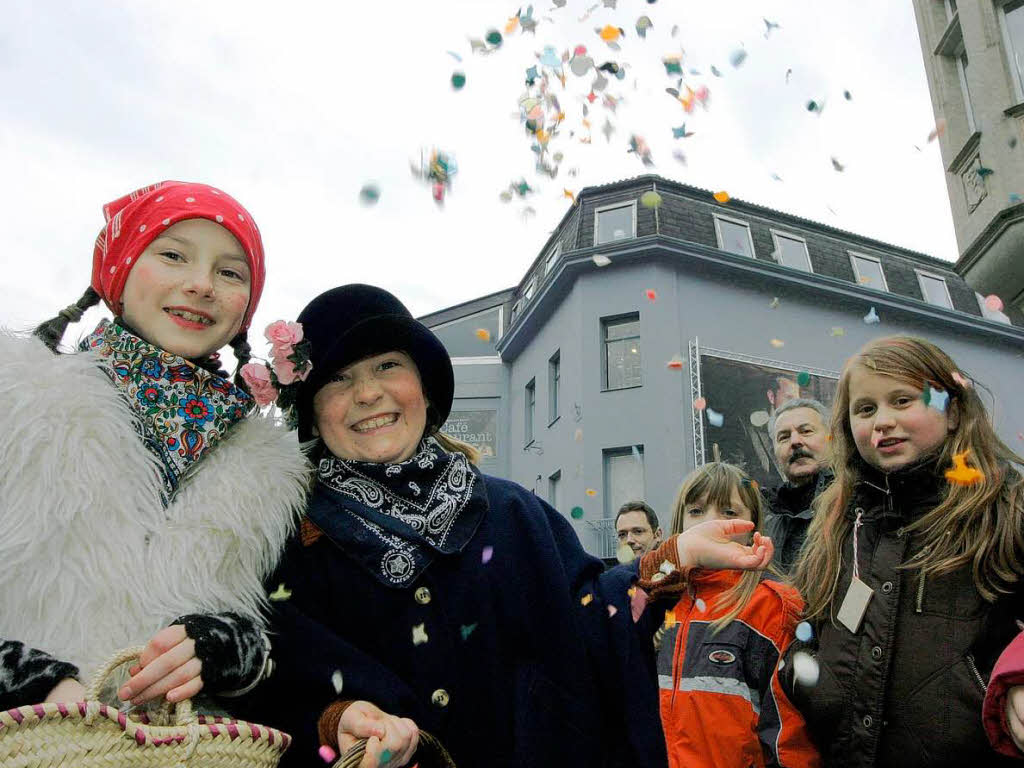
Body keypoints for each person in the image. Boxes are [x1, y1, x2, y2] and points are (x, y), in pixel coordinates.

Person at [242, 284, 774, 768]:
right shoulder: (287, 542)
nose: (367, 394)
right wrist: (336, 721)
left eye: (386, 366)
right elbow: (267, 687)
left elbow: (588, 620)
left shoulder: (512, 511)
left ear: (425, 391)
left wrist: (669, 558)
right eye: (339, 378)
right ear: (312, 412)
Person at [0, 182, 309, 713]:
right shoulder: (16, 403)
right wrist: (31, 681)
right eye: (173, 255)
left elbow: (284, 641)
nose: (201, 284)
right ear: (120, 271)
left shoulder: (269, 472)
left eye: (230, 272)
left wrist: (223, 650)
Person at [786, 336, 1024, 767]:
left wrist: (1019, 672)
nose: (882, 421)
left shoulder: (1007, 508)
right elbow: (804, 624)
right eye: (865, 409)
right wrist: (802, 678)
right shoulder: (837, 523)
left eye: (902, 400)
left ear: (952, 412)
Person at [654, 462, 819, 768]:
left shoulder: (772, 606)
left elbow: (790, 737)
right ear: (679, 522)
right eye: (697, 511)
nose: (712, 524)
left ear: (753, 527)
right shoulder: (661, 602)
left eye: (729, 513)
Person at [763, 398, 832, 573]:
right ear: (774, 454)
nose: (795, 441)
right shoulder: (762, 517)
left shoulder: (858, 503)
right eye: (784, 437)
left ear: (833, 440)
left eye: (806, 431)